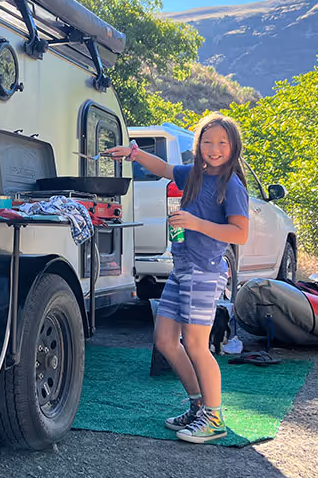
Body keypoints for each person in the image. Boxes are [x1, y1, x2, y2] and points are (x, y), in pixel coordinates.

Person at [104, 113, 249, 444]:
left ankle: (214, 418)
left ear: (233, 147)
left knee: (197, 345)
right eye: (207, 142)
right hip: (181, 268)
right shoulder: (195, 175)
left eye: (222, 143)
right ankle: (199, 405)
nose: (214, 149)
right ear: (198, 145)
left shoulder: (232, 186)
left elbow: (240, 233)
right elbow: (164, 169)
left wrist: (196, 223)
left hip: (205, 271)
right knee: (166, 341)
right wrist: (135, 155)